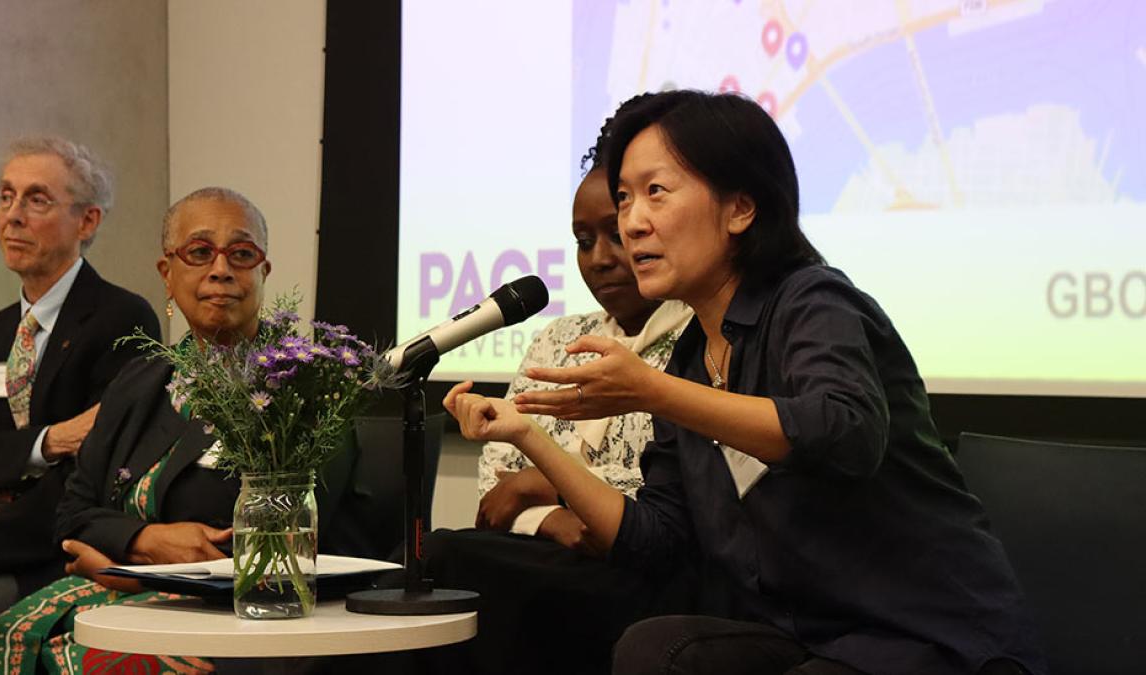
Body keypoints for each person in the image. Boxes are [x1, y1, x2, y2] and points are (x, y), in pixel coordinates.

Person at [444, 91, 1046, 675]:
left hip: (922, 634)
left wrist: (650, 392)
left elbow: (844, 429)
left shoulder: (812, 299)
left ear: (741, 208)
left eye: (655, 192)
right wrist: (531, 438)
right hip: (804, 634)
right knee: (654, 647)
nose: (631, 223)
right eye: (625, 199)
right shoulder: (688, 357)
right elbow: (655, 539)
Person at [422, 124, 694, 675]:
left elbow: (661, 493)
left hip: (647, 571)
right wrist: (549, 521)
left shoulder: (697, 341)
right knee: (442, 555)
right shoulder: (556, 338)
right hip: (553, 552)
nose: (599, 258)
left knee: (460, 564)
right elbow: (494, 492)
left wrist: (539, 482)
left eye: (615, 234)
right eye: (583, 240)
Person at [0, 187, 271, 673]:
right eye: (199, 253)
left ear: (263, 272)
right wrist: (142, 543)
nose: (221, 269)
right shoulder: (141, 380)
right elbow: (73, 512)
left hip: (227, 615)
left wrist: (128, 572)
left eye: (241, 254)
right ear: (167, 276)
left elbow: (274, 539)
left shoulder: (294, 387)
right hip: (111, 594)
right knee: (4, 634)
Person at [0, 138, 160, 644]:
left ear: (87, 222)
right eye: (5, 196)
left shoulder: (122, 321)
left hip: (48, 558)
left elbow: (98, 475)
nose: (13, 216)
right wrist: (47, 441)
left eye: (36, 199)